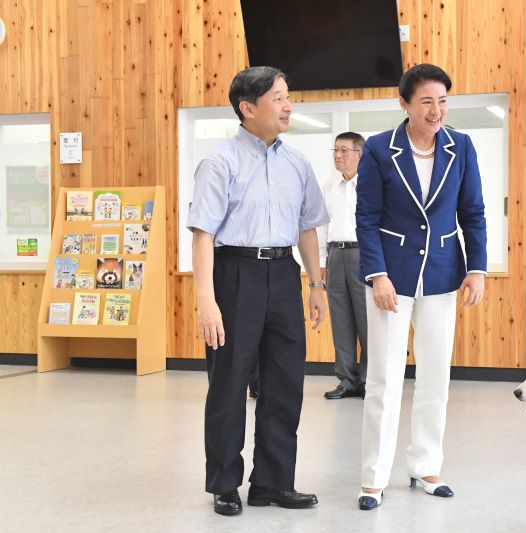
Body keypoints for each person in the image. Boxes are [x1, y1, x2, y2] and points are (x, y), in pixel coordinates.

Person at [187, 66, 329, 517]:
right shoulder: (220, 162)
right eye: (278, 98)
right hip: (235, 276)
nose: (288, 106)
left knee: (286, 383)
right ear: (248, 109)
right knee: (229, 384)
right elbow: (203, 235)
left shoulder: (297, 162)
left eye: (288, 97)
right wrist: (206, 301)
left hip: (284, 275)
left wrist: (317, 283)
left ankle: (272, 482)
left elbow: (307, 228)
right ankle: (225, 483)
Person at [355, 63, 488, 510]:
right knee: (385, 380)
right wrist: (377, 275)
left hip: (443, 275)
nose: (437, 110)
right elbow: (367, 219)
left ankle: (425, 465)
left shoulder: (461, 147)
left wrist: (477, 269)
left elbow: (473, 213)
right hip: (391, 279)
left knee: (435, 377)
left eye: (443, 101)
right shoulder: (378, 150)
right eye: (427, 101)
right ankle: (373, 476)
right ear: (405, 104)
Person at [319, 132, 369, 399]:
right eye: (335, 150)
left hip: (364, 255)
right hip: (335, 255)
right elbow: (321, 225)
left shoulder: (371, 184)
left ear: (359, 154)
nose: (337, 155)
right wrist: (321, 262)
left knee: (368, 322)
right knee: (341, 321)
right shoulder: (329, 187)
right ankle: (347, 380)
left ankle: (370, 380)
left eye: (344, 150)